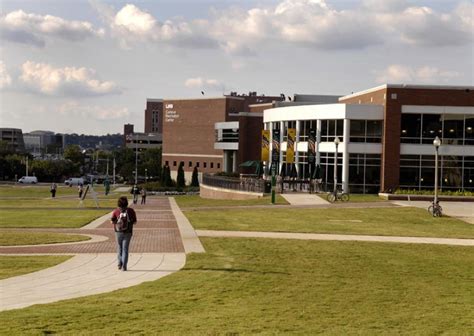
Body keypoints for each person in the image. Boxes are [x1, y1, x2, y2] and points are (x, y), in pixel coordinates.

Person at [111, 196, 137, 271]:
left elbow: (112, 221)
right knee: (125, 249)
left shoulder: (116, 211)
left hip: (118, 232)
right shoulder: (131, 211)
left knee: (119, 247)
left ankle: (119, 263)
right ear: (127, 203)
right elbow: (135, 222)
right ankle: (124, 266)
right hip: (128, 232)